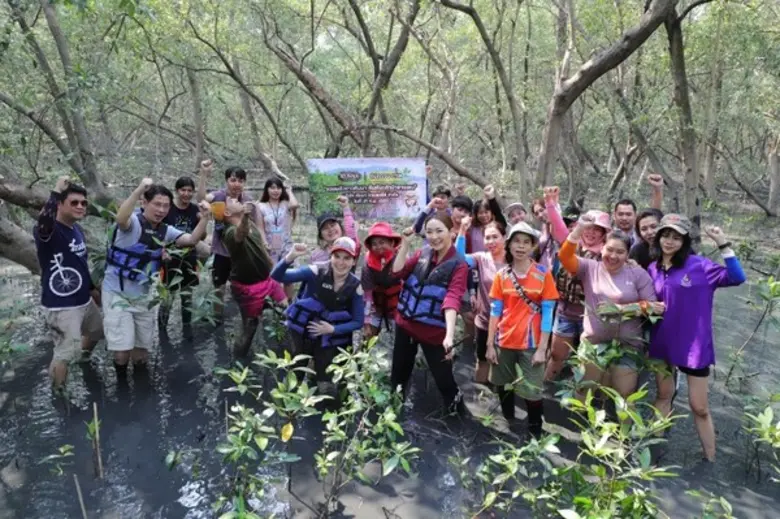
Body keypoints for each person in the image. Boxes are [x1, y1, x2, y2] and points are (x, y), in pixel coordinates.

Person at [648, 214, 746, 463]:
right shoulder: (652, 268)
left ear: (685, 241)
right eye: (665, 236)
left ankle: (710, 459)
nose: (669, 242)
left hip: (694, 347)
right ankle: (653, 452)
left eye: (676, 237)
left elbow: (737, 277)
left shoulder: (700, 266)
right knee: (663, 395)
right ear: (658, 238)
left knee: (699, 407)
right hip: (663, 342)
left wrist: (723, 244)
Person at [104, 178, 210, 375]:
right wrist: (138, 190)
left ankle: (142, 391)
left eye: (166, 206)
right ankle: (122, 389)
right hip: (116, 293)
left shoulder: (165, 230)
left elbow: (192, 240)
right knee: (122, 352)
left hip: (144, 295)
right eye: (157, 204)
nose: (161, 210)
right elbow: (120, 219)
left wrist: (205, 218)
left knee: (142, 353)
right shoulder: (133, 223)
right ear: (144, 203)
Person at [558, 215, 663, 400]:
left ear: (628, 254)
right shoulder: (590, 268)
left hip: (628, 346)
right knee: (585, 393)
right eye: (610, 250)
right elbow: (565, 256)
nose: (613, 256)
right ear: (602, 248)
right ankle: (584, 428)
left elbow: (654, 307)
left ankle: (622, 429)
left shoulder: (638, 274)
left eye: (620, 252)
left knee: (624, 396)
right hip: (593, 344)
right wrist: (579, 228)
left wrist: (622, 309)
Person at [486, 222, 558, 437]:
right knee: (503, 384)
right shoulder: (501, 276)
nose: (521, 246)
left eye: (526, 242)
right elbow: (495, 311)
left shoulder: (543, 275)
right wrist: (490, 344)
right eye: (517, 241)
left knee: (533, 391)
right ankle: (509, 421)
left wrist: (542, 348)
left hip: (532, 343)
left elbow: (548, 313)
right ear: (508, 245)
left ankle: (536, 431)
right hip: (504, 340)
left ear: (533, 246)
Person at [391, 215, 468, 415]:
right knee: (399, 374)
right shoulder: (421, 253)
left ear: (451, 232)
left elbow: (452, 298)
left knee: (444, 380)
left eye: (439, 231)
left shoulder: (459, 265)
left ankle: (457, 415)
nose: (434, 237)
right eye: (430, 231)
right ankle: (393, 412)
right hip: (406, 325)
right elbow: (397, 273)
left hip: (434, 332)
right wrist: (405, 246)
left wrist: (449, 335)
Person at [271, 237, 364, 399]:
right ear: (330, 256)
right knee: (294, 377)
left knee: (326, 385)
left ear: (354, 260)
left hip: (329, 337)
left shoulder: (356, 286)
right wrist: (290, 256)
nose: (341, 263)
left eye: (347, 258)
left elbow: (358, 321)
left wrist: (333, 329)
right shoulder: (315, 271)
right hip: (302, 333)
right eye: (337, 256)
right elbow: (277, 276)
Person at [34, 177, 104, 391]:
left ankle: (83, 360)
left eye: (84, 203)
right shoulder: (49, 230)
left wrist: (93, 290)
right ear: (60, 204)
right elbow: (42, 223)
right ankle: (59, 395)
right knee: (64, 353)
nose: (81, 206)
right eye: (74, 202)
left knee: (97, 333)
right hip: (61, 305)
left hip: (83, 300)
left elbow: (81, 264)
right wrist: (55, 191)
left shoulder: (77, 230)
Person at [545, 207, 612, 381]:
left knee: (587, 360)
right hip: (565, 310)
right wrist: (550, 203)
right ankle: (544, 388)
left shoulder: (608, 255)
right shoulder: (571, 245)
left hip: (591, 315)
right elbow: (557, 226)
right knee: (556, 355)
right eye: (588, 228)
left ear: (604, 233)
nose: (591, 233)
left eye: (597, 229)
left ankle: (584, 397)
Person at [221, 197, 286, 357]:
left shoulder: (251, 225)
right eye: (231, 201)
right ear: (227, 212)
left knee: (286, 308)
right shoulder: (228, 232)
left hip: (267, 280)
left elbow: (260, 249)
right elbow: (239, 235)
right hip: (247, 286)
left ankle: (284, 352)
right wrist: (245, 216)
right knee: (250, 327)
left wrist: (274, 268)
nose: (235, 200)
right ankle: (239, 360)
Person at [198, 161, 253, 319]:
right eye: (233, 180)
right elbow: (202, 199)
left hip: (241, 253)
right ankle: (217, 318)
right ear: (227, 181)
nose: (237, 184)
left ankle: (246, 318)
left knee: (244, 289)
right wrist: (203, 175)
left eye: (241, 181)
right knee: (219, 289)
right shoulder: (218, 196)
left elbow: (253, 229)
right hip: (221, 252)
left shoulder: (247, 200)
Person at [456, 217, 506, 385]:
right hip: (484, 320)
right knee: (482, 359)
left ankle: (499, 396)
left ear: (504, 237)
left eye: (495, 236)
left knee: (503, 365)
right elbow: (459, 258)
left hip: (508, 324)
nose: (491, 241)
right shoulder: (481, 258)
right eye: (487, 237)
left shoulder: (514, 261)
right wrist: (462, 230)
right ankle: (480, 395)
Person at [159, 175, 202, 331]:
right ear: (177, 191)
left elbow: (199, 235)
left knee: (187, 294)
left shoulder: (195, 210)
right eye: (183, 190)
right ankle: (162, 328)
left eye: (190, 190)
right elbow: (159, 233)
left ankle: (187, 327)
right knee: (168, 294)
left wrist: (204, 220)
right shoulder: (168, 209)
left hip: (189, 255)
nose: (186, 194)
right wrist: (162, 251)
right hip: (170, 257)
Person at [256, 177, 299, 299]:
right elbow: (260, 227)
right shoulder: (260, 206)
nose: (276, 191)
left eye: (279, 188)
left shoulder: (286, 204)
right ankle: (277, 305)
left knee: (289, 277)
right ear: (267, 189)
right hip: (270, 246)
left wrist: (289, 191)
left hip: (286, 245)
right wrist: (264, 243)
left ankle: (289, 305)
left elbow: (295, 205)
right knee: (273, 277)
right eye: (272, 188)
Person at [361, 222, 403, 339]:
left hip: (398, 307)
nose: (378, 246)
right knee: (367, 338)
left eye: (382, 242)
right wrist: (366, 322)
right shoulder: (367, 264)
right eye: (374, 244)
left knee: (399, 340)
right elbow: (367, 296)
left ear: (391, 242)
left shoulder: (401, 256)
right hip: (376, 306)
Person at [311, 196, 358, 263]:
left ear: (340, 226)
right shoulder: (316, 255)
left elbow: (350, 228)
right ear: (321, 235)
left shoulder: (349, 245)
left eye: (332, 225)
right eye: (325, 228)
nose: (330, 229)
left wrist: (345, 207)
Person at [469, 185, 508, 252]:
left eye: (486, 212)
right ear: (476, 214)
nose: (484, 215)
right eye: (480, 213)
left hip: (494, 261)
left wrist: (491, 198)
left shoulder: (496, 226)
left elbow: (498, 215)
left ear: (491, 213)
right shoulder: (472, 227)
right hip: (475, 261)